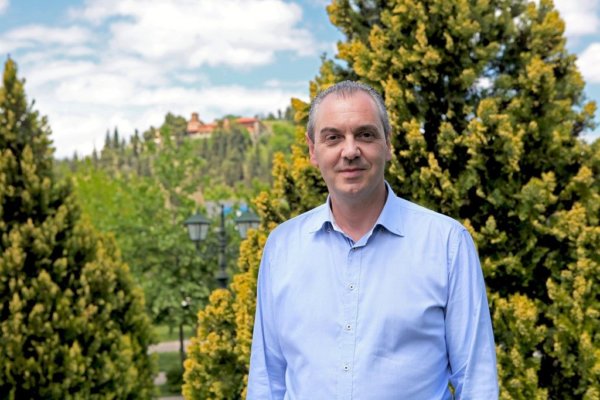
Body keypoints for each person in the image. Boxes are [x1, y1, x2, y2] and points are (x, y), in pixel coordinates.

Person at [247, 81, 498, 399]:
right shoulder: (282, 248)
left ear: (388, 144)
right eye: (333, 137)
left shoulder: (447, 244)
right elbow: (267, 381)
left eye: (365, 135)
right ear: (312, 150)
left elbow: (476, 381)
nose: (350, 151)